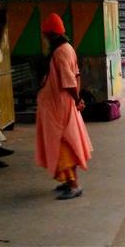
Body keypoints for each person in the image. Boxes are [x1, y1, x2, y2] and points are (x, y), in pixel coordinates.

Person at [35, 13, 93, 200]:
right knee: (62, 143)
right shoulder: (68, 48)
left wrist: (77, 99)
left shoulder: (60, 52)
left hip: (58, 107)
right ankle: (67, 181)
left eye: (45, 36)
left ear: (51, 35)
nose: (44, 40)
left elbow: (68, 82)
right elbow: (76, 76)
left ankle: (74, 185)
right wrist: (78, 98)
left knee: (62, 145)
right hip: (60, 104)